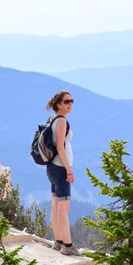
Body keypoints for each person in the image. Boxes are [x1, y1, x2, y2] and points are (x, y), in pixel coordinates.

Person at [45, 90, 81, 256]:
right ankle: (68, 245)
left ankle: (58, 242)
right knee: (63, 208)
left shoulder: (52, 119)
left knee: (56, 204)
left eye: (72, 101)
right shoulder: (61, 121)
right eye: (67, 101)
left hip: (52, 167)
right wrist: (69, 170)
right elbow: (60, 147)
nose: (70, 104)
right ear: (59, 104)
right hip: (60, 168)